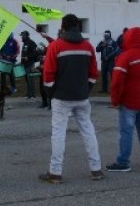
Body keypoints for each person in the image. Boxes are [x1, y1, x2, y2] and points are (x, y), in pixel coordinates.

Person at [39, 14, 103, 184]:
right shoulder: (88, 46)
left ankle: (55, 172)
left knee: (58, 134)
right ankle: (96, 169)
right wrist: (86, 89)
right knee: (88, 131)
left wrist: (50, 93)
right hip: (82, 97)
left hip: (61, 97)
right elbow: (94, 73)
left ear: (63, 27)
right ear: (78, 27)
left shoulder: (55, 46)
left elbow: (48, 74)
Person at [105, 27, 140, 172]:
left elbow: (117, 82)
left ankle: (123, 162)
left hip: (129, 100)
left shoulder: (125, 56)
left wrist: (115, 100)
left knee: (126, 131)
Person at [20, 31, 40, 99]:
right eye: (21, 36)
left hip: (30, 64)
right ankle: (28, 94)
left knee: (30, 80)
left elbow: (36, 53)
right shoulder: (25, 43)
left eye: (22, 36)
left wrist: (28, 57)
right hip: (24, 64)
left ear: (27, 36)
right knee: (27, 80)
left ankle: (33, 95)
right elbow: (24, 53)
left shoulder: (32, 43)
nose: (21, 37)